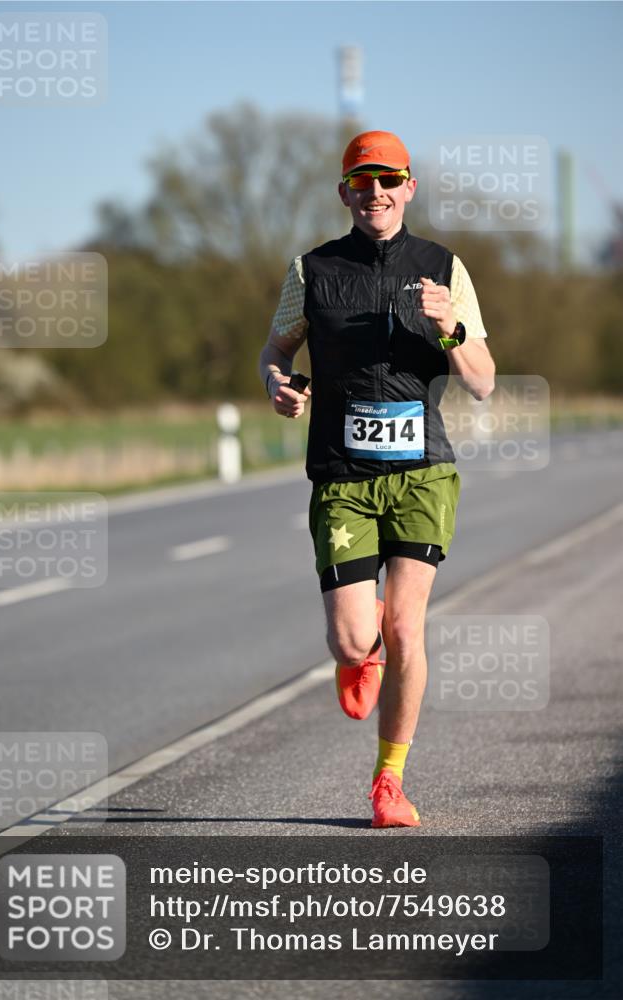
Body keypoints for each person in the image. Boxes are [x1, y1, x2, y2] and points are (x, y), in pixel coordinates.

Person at [258, 130, 495, 828]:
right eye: (362, 184)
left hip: (423, 472)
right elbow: (275, 347)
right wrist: (278, 384)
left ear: (408, 188)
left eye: (388, 181)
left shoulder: (443, 268)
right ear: (344, 194)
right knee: (352, 637)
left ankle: (387, 781)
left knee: (404, 628)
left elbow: (480, 384)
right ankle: (353, 658)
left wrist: (449, 329)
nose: (376, 194)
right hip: (342, 473)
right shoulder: (312, 270)